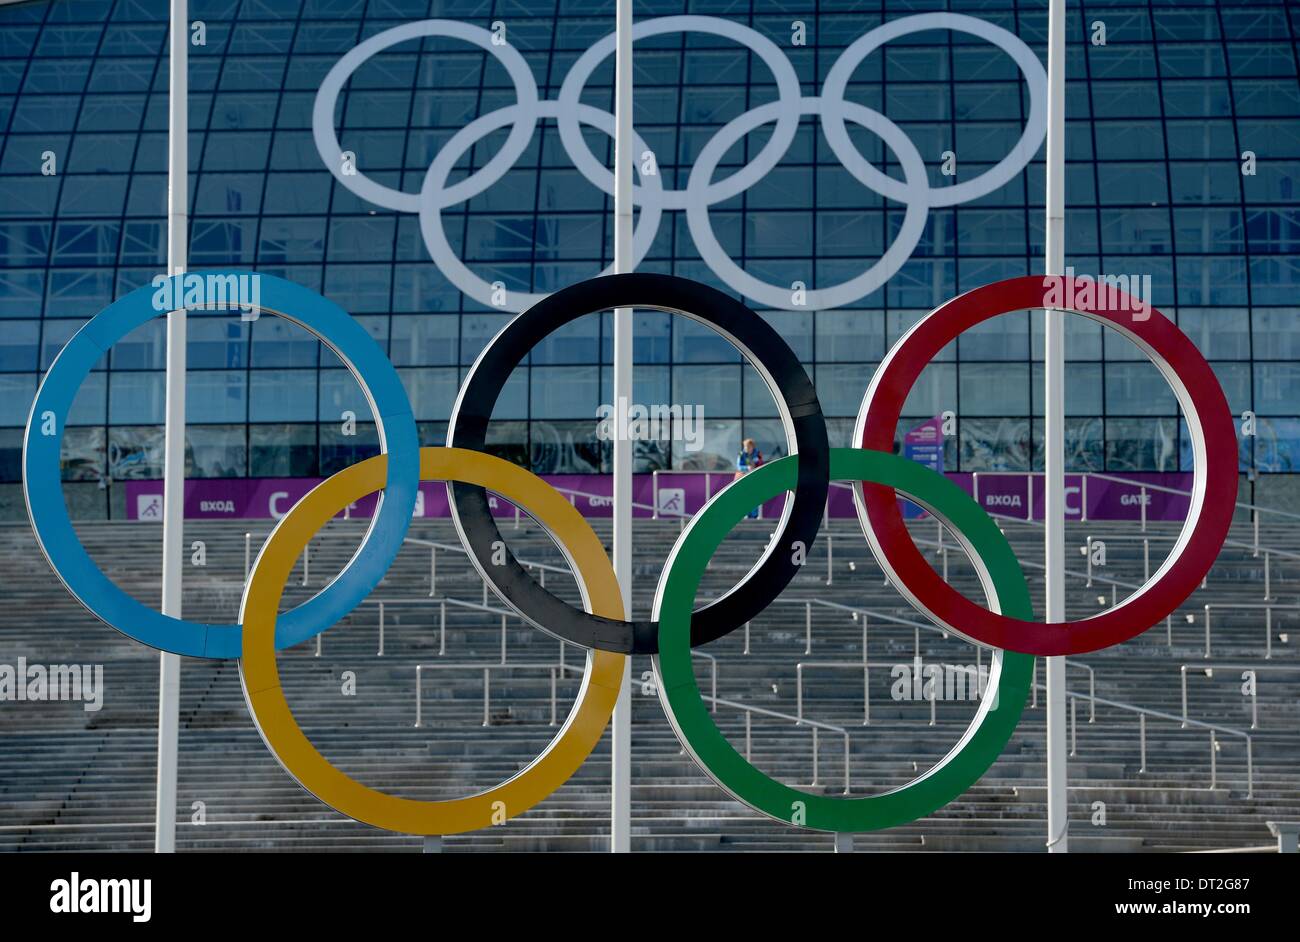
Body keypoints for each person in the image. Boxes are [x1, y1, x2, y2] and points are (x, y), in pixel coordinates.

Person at [735, 437, 763, 518]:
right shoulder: (741, 454)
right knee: (745, 496)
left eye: (749, 446)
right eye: (745, 446)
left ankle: (755, 515)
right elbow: (738, 466)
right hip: (744, 478)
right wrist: (747, 468)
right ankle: (746, 514)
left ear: (752, 447)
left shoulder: (758, 454)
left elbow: (761, 464)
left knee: (755, 496)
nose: (747, 448)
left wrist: (757, 462)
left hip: (755, 479)